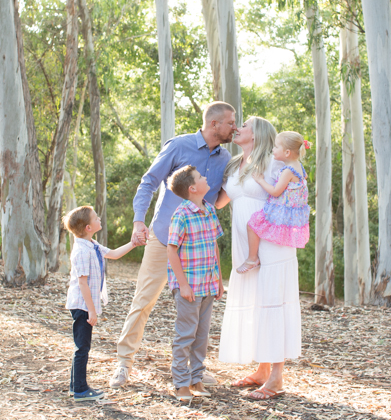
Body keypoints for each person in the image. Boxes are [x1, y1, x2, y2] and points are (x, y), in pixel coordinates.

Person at [110, 101, 236, 388]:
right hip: (164, 237)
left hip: (198, 249)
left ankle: (194, 372)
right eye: (230, 122)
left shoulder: (225, 157)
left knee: (199, 311)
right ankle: (123, 363)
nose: (234, 127)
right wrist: (138, 221)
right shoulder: (179, 146)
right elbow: (149, 181)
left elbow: (216, 200)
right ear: (214, 124)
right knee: (144, 300)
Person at [216, 117, 302, 400]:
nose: (238, 127)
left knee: (273, 301)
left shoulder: (274, 164)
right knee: (257, 302)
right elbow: (221, 201)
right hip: (247, 246)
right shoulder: (234, 164)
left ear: (258, 134)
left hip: (272, 242)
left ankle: (276, 377)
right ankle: (263, 370)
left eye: (245, 124)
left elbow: (291, 198)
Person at [64, 206, 142, 402]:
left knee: (82, 347)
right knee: (82, 348)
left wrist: (133, 243)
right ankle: (81, 390)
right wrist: (91, 310)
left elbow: (114, 254)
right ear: (89, 227)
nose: (100, 218)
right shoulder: (82, 250)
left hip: (85, 304)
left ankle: (76, 387)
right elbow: (82, 282)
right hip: (82, 305)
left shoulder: (92, 245)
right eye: (96, 217)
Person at [166, 165, 224, 401]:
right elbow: (171, 251)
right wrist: (183, 285)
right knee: (186, 336)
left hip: (209, 284)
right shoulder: (181, 214)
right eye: (201, 177)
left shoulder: (209, 209)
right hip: (189, 287)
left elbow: (214, 245)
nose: (205, 177)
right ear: (192, 188)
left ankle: (196, 379)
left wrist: (219, 279)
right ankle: (181, 383)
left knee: (201, 335)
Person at [236, 131, 310, 274]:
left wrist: (260, 180)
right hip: (292, 211)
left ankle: (252, 258)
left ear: (287, 152)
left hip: (280, 209)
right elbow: (303, 178)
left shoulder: (288, 171)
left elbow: (276, 191)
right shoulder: (299, 167)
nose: (273, 149)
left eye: (276, 147)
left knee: (252, 224)